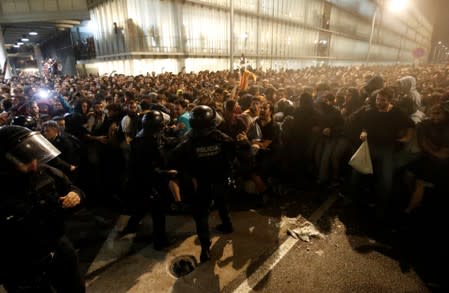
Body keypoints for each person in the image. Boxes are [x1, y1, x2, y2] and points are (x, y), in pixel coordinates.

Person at [0, 125, 85, 292]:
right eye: (23, 160)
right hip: (21, 265)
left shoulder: (44, 172)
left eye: (33, 157)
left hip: (58, 246)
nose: (33, 164)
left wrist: (75, 196)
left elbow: (73, 189)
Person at [170, 105, 236, 262]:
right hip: (219, 180)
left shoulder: (188, 141)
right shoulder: (222, 138)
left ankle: (205, 249)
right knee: (222, 203)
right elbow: (233, 153)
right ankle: (227, 225)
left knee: (201, 216)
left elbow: (173, 158)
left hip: (200, 184)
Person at [122, 110, 177, 250]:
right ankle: (160, 241)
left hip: (142, 181)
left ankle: (130, 227)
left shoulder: (146, 135)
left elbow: (163, 140)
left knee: (142, 206)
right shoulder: (146, 143)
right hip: (147, 181)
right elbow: (147, 169)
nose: (163, 127)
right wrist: (167, 173)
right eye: (161, 125)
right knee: (158, 211)